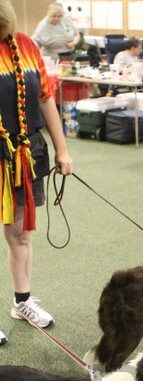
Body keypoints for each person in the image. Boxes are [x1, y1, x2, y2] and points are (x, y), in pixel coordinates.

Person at [0, 0, 73, 345]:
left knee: (20, 235)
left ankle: (22, 301)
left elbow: (46, 100)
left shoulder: (26, 46)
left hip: (26, 156)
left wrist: (62, 148)